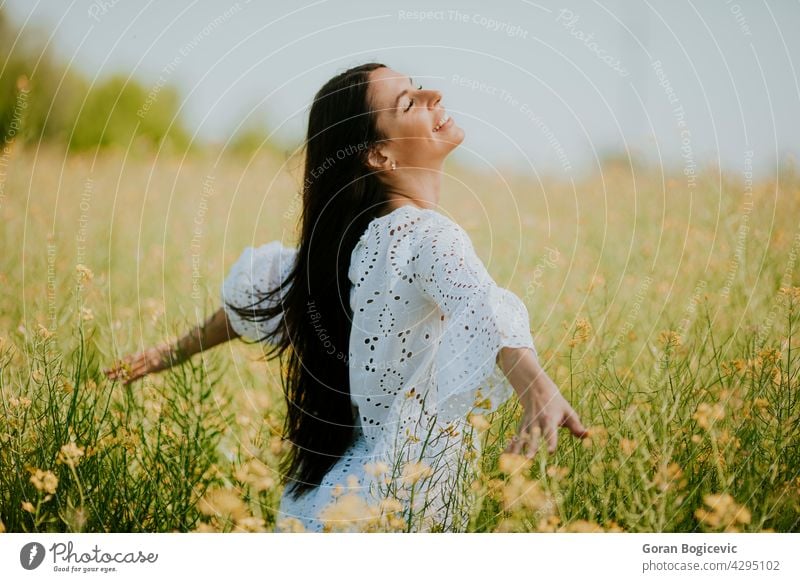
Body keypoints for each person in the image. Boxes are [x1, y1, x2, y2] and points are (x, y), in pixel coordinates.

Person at [104, 62, 588, 532]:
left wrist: (172, 352)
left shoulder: (342, 252)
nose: (432, 96)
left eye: (418, 89)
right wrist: (536, 387)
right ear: (379, 156)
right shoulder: (426, 234)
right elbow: (479, 303)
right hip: (400, 505)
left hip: (325, 502)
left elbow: (262, 294)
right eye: (408, 102)